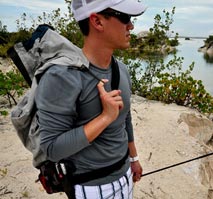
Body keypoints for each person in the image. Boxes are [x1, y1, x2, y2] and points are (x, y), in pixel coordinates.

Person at [35, 0, 146, 198]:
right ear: (97, 21)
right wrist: (105, 118)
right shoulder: (61, 76)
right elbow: (52, 148)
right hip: (91, 187)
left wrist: (133, 158)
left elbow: (125, 119)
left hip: (125, 174)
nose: (131, 26)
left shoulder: (121, 69)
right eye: (125, 17)